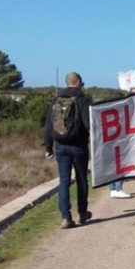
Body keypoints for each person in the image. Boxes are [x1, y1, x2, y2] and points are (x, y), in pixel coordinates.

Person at [44, 72, 92, 229]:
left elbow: (49, 126)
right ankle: (83, 212)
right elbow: (88, 124)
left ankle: (65, 216)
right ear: (78, 82)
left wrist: (48, 147)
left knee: (64, 181)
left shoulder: (56, 100)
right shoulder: (82, 99)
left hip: (60, 146)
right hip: (78, 146)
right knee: (81, 180)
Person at [109, 87, 135, 199]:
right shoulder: (121, 110)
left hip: (111, 141)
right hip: (119, 140)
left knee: (114, 165)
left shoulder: (108, 109)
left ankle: (113, 188)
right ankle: (117, 188)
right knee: (121, 164)